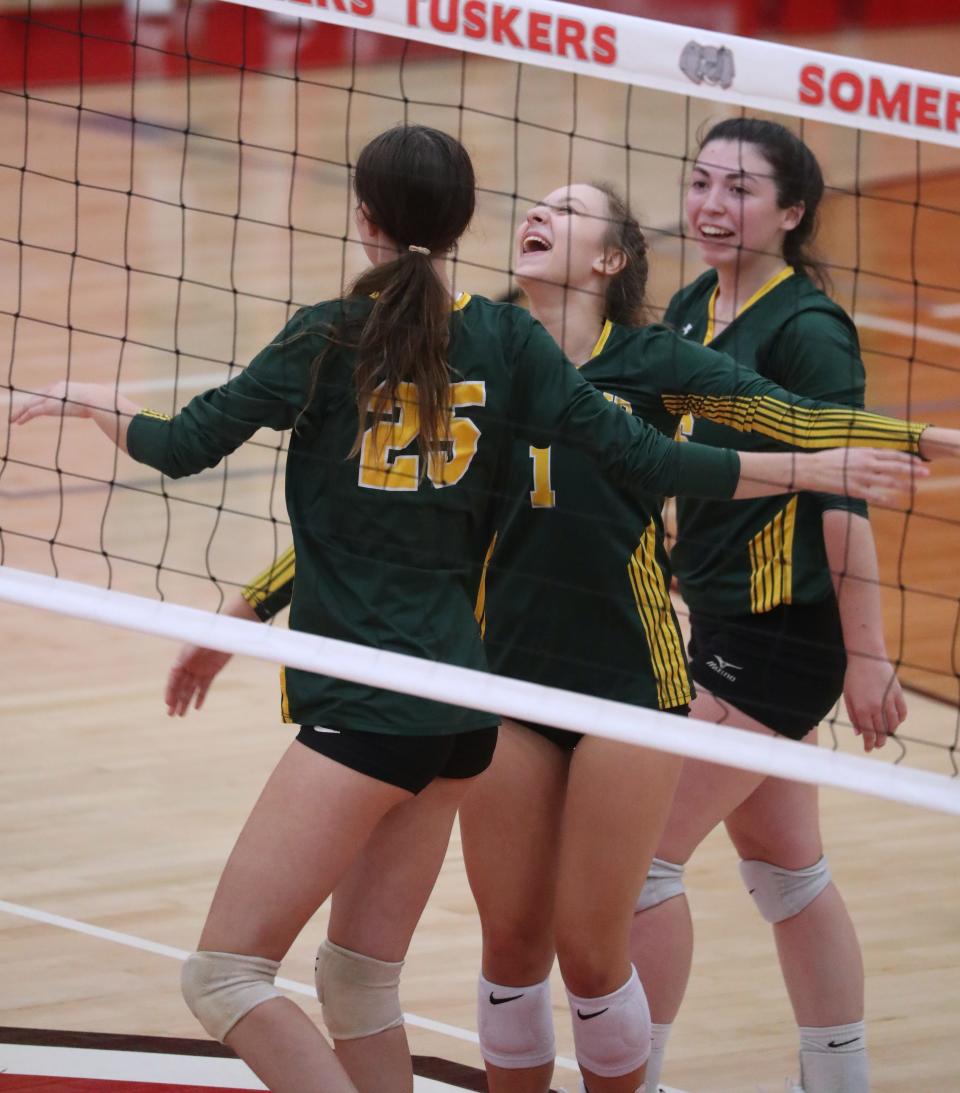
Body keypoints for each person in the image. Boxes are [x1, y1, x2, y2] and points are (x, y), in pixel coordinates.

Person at [15, 124, 905, 1093]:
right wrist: (244, 609)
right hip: (482, 690)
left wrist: (99, 404)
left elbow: (184, 444)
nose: (543, 217)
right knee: (428, 966)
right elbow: (579, 475)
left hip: (500, 690)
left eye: (569, 211)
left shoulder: (403, 340)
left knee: (264, 972)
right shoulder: (498, 343)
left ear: (364, 220)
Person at [628, 117, 938, 1093]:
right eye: (702, 181)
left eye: (742, 189)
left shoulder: (807, 329)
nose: (714, 205)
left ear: (791, 212)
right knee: (788, 874)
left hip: (779, 639)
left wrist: (870, 654)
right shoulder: (687, 307)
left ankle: (634, 1078)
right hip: (719, 623)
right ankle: (836, 1081)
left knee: (640, 866)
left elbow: (844, 495)